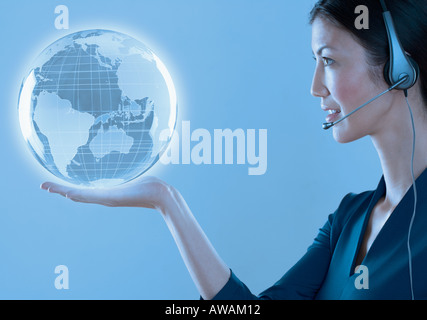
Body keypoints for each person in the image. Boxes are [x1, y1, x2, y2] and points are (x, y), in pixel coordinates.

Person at [41, 0, 427, 299]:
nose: (315, 86)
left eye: (329, 61)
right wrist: (167, 201)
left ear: (399, 69)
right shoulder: (349, 218)